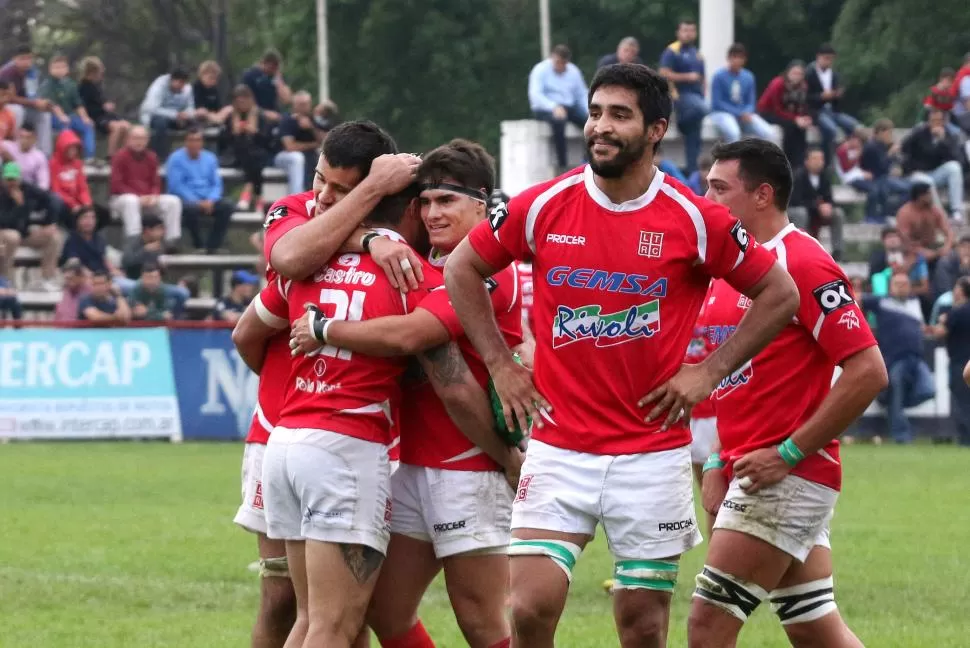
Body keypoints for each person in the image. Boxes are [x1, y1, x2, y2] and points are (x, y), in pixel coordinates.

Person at [443, 63, 799, 648]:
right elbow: (462, 267)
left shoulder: (696, 219)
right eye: (595, 112)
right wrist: (502, 365)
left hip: (651, 453)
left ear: (656, 129)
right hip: (559, 444)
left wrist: (706, 373)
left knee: (643, 626)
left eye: (619, 115)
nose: (600, 127)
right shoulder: (542, 206)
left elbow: (779, 295)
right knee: (529, 607)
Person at [288, 140, 523, 648]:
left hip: (470, 465)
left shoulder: (489, 271)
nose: (434, 213)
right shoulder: (423, 262)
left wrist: (326, 329)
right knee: (385, 612)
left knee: (482, 623)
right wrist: (372, 238)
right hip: (412, 465)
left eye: (449, 202)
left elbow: (416, 340)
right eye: (427, 202)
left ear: (482, 203)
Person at [688, 137, 884, 648]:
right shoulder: (729, 269)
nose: (706, 199)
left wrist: (789, 453)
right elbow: (722, 375)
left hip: (787, 477)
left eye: (719, 188)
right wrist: (714, 463)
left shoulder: (803, 262)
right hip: (749, 467)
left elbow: (868, 370)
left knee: (707, 625)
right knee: (816, 627)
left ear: (762, 195)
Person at [230, 121, 417, 648]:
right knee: (286, 601)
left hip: (319, 434)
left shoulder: (380, 235)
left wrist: (374, 233)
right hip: (287, 428)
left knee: (334, 613)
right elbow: (285, 264)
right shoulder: (288, 211)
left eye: (340, 187)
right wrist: (370, 231)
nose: (322, 195)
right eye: (320, 179)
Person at [861, 272, 934, 444]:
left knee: (928, 390)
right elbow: (856, 300)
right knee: (898, 392)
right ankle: (901, 435)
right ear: (890, 286)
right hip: (894, 358)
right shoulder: (881, 301)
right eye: (897, 283)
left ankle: (891, 404)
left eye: (904, 283)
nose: (902, 286)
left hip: (916, 358)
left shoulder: (915, 303)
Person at [109, 125, 183, 249]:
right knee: (130, 201)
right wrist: (139, 197)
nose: (139, 142)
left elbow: (155, 183)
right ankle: (134, 242)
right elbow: (116, 185)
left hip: (147, 199)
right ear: (128, 139)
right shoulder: (119, 156)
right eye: (136, 138)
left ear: (147, 140)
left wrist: (153, 195)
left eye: (142, 138)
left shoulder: (152, 157)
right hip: (122, 200)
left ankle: (171, 242)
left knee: (174, 201)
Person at [165, 127, 233, 253]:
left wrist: (211, 200)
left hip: (208, 199)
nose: (194, 143)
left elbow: (216, 184)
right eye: (191, 140)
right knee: (189, 209)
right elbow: (176, 186)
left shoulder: (210, 158)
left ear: (202, 142)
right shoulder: (175, 159)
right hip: (187, 200)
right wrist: (197, 201)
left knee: (227, 206)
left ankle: (213, 246)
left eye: (198, 140)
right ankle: (198, 245)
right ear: (185, 142)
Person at [528, 45, 589, 174]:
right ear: (552, 58)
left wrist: (589, 112)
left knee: (589, 123)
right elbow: (536, 95)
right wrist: (553, 106)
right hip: (545, 108)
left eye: (563, 63)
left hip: (568, 107)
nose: (560, 66)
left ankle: (589, 158)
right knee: (559, 122)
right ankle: (562, 165)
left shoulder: (573, 71)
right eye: (557, 62)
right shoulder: (540, 70)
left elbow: (581, 94)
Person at [0, 161, 60, 289]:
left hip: (23, 233)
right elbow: (5, 221)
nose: (11, 182)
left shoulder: (28, 189)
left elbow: (51, 200)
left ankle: (47, 279)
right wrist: (20, 205)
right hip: (4, 233)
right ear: (3, 179)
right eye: (8, 179)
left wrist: (49, 223)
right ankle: (4, 279)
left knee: (53, 237)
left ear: (19, 178)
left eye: (14, 179)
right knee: (13, 236)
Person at [659, 18, 708, 175]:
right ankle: (681, 122)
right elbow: (663, 73)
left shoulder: (697, 54)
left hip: (695, 99)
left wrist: (703, 89)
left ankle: (692, 172)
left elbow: (702, 77)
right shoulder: (672, 50)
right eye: (685, 30)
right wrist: (687, 77)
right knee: (704, 108)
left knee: (694, 141)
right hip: (680, 97)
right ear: (678, 32)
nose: (689, 33)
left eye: (692, 30)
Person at [901, 108, 966, 222]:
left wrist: (942, 140)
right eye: (933, 120)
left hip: (935, 173)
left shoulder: (948, 135)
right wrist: (910, 170)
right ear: (929, 120)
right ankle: (939, 215)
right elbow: (904, 149)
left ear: (943, 121)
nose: (936, 123)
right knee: (927, 182)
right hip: (917, 173)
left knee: (954, 168)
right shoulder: (920, 132)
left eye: (939, 120)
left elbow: (956, 158)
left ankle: (956, 211)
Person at [805, 44, 860, 169]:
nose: (828, 62)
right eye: (826, 58)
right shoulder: (809, 73)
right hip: (817, 111)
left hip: (833, 110)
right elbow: (806, 97)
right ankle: (827, 162)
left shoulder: (834, 75)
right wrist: (821, 97)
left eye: (831, 59)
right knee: (831, 130)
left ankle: (849, 159)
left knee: (854, 126)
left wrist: (837, 95)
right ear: (818, 57)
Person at [222, 85, 273, 213]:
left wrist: (254, 132)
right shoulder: (230, 117)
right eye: (239, 101)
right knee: (248, 152)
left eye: (245, 100)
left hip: (258, 153)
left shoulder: (260, 115)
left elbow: (267, 140)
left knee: (254, 155)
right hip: (236, 154)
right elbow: (224, 141)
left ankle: (248, 189)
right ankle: (259, 197)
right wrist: (235, 133)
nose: (242, 104)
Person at [709, 43, 774, 143]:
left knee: (768, 132)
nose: (737, 61)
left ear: (744, 60)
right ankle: (733, 158)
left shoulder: (748, 77)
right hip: (723, 113)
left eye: (740, 57)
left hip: (744, 114)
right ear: (728, 58)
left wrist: (747, 112)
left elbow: (751, 102)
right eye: (734, 57)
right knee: (733, 133)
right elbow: (717, 103)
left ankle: (764, 158)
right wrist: (738, 113)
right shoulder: (719, 76)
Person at [789, 148, 845, 260]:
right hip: (798, 210)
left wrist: (828, 206)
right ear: (806, 161)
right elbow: (795, 200)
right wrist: (817, 206)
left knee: (838, 213)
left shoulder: (825, 176)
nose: (818, 162)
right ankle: (802, 249)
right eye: (814, 159)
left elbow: (829, 197)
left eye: (821, 159)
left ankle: (838, 251)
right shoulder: (798, 176)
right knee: (801, 213)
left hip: (817, 210)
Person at [39, 54, 96, 160]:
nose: (60, 70)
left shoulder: (70, 84)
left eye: (62, 67)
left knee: (87, 126)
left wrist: (85, 118)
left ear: (67, 69)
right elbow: (52, 104)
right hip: (53, 117)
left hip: (70, 115)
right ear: (50, 69)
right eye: (56, 67)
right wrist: (61, 116)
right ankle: (67, 158)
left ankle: (89, 158)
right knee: (66, 126)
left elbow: (78, 104)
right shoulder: (47, 85)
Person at [935, 277, 970, 446]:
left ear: (960, 291)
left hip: (960, 364)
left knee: (963, 403)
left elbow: (940, 333)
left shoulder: (956, 312)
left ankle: (966, 440)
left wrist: (941, 321)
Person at [758, 60, 813, 170]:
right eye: (794, 73)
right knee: (790, 126)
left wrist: (804, 118)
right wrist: (796, 119)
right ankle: (788, 161)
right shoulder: (778, 84)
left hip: (788, 115)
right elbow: (777, 109)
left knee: (801, 129)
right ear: (788, 72)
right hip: (769, 112)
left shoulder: (803, 87)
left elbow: (802, 106)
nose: (797, 76)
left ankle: (800, 163)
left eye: (800, 74)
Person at [0, 46, 53, 155]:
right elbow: (10, 98)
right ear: (15, 59)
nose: (26, 62)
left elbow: (32, 95)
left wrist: (42, 103)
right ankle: (15, 147)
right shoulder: (7, 72)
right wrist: (34, 103)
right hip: (6, 108)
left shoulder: (32, 73)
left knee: (44, 115)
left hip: (25, 107)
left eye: (29, 58)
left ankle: (43, 154)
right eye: (23, 58)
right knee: (17, 111)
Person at [50, 129, 106, 229]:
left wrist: (87, 203)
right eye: (70, 148)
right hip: (64, 203)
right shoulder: (53, 164)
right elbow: (56, 189)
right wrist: (73, 205)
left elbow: (82, 187)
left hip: (78, 201)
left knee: (103, 213)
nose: (73, 151)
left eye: (75, 149)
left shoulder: (77, 164)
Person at [856, 119, 911, 223]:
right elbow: (881, 168)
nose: (891, 136)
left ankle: (891, 213)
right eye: (889, 133)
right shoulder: (871, 147)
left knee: (910, 188)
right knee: (903, 189)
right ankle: (887, 213)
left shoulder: (883, 146)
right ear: (881, 132)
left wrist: (897, 164)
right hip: (875, 179)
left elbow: (899, 162)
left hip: (885, 178)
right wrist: (890, 153)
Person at [895, 182, 954, 276]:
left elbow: (949, 232)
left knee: (950, 259)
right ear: (920, 196)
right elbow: (905, 241)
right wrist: (921, 251)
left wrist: (947, 246)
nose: (931, 196)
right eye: (928, 194)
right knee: (907, 265)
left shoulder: (934, 210)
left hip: (933, 247)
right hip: (911, 251)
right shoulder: (905, 213)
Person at [139, 67, 197, 159]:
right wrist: (175, 115)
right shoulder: (159, 85)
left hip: (176, 119)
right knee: (161, 124)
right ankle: (158, 157)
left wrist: (186, 115)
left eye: (183, 83)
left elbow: (191, 107)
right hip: (154, 117)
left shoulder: (187, 88)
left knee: (195, 125)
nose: (181, 86)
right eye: (179, 83)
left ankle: (193, 156)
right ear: (172, 80)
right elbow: (152, 109)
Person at [77, 56, 130, 158]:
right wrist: (103, 107)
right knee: (117, 127)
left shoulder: (97, 85)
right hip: (96, 117)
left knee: (126, 126)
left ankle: (124, 156)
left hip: (106, 115)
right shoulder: (83, 87)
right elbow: (86, 106)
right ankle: (111, 156)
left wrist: (107, 105)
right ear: (92, 72)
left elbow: (101, 101)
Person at [274, 91, 322, 194]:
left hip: (309, 156)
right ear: (294, 105)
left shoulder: (313, 119)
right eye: (301, 104)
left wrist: (311, 128)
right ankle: (296, 194)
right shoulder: (287, 120)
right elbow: (290, 147)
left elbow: (325, 141)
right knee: (297, 157)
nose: (304, 107)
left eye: (306, 104)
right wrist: (313, 145)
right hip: (284, 156)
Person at [59, 207, 117, 276]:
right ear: (77, 221)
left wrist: (114, 270)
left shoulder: (99, 239)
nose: (89, 221)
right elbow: (74, 261)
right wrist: (90, 274)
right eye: (85, 217)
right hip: (82, 277)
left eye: (92, 218)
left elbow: (104, 259)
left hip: (103, 275)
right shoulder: (72, 239)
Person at [241, 49, 291, 121]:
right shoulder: (251, 75)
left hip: (275, 114)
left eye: (276, 67)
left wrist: (278, 80)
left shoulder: (277, 77)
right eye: (272, 66)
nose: (274, 69)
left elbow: (287, 100)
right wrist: (263, 113)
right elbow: (244, 102)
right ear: (265, 63)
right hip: (255, 114)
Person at [1, 123, 49, 190]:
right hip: (8, 187)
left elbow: (43, 183)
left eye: (27, 137)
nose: (24, 140)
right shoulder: (8, 146)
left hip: (28, 189)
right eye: (21, 136)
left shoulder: (40, 157)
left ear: (34, 139)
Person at [193, 60, 228, 124]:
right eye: (211, 78)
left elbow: (218, 107)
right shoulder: (196, 87)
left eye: (215, 78)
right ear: (202, 75)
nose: (214, 81)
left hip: (214, 116)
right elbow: (198, 107)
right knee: (202, 112)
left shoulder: (213, 89)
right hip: (200, 116)